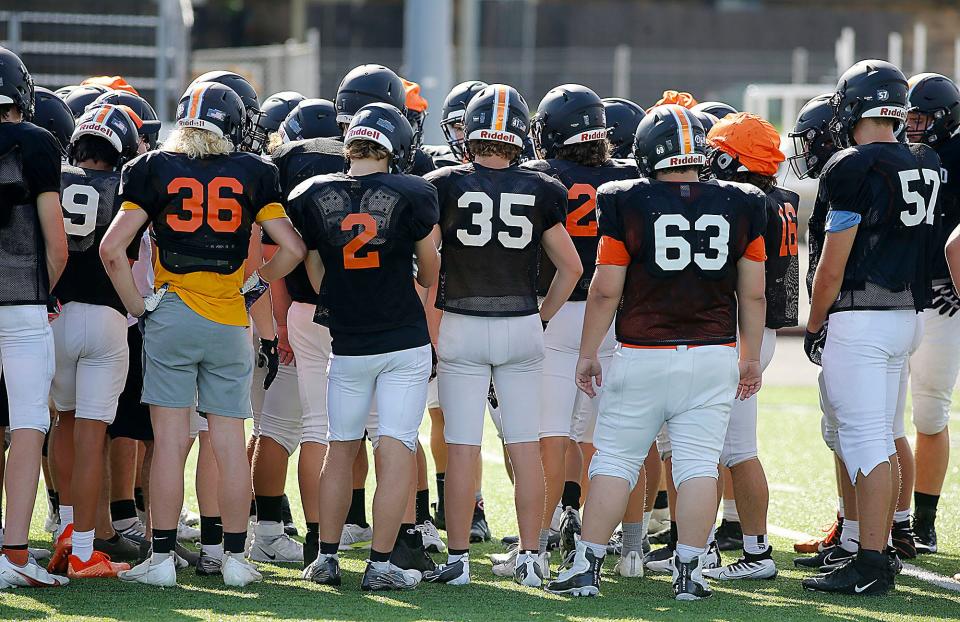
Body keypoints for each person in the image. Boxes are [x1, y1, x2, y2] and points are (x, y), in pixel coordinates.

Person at [546, 104, 767, 601]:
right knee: (697, 465)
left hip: (643, 352)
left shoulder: (627, 199)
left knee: (616, 460)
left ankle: (587, 566)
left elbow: (605, 290)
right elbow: (752, 293)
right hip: (713, 352)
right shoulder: (743, 201)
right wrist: (749, 355)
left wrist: (586, 353)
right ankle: (690, 571)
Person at [99, 81, 305, 587]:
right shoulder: (255, 172)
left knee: (169, 445)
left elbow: (112, 249)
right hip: (230, 320)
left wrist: (140, 307)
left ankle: (164, 560)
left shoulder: (153, 169)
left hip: (171, 314)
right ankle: (235, 559)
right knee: (228, 443)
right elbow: (294, 250)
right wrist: (253, 283)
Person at [422, 84, 581, 587]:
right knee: (524, 446)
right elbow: (572, 267)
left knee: (463, 445)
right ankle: (533, 557)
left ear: (470, 133)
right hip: (520, 325)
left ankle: (459, 560)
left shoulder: (442, 185)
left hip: (462, 325)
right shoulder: (543, 187)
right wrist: (543, 316)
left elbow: (428, 265)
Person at [801, 60, 939, 596]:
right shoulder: (924, 161)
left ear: (852, 106)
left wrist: (815, 322)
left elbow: (832, 264)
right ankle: (874, 547)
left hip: (860, 318)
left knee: (864, 441)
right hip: (907, 316)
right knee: (877, 435)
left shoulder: (851, 165)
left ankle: (873, 560)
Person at [296, 102, 440, 591]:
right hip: (402, 338)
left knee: (340, 448)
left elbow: (314, 270)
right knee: (395, 443)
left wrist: (341, 297)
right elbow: (430, 266)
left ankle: (326, 557)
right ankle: (381, 562)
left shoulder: (314, 193)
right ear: (395, 148)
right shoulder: (414, 192)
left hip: (348, 341)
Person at [521, 84, 638, 577]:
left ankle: (541, 542)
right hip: (617, 315)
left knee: (551, 436)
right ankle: (625, 546)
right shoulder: (632, 178)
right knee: (616, 439)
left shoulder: (541, 177)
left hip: (558, 309)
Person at [48, 104, 145, 580]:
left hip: (56, 315)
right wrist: (140, 309)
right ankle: (85, 548)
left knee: (61, 424)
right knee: (92, 435)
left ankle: (65, 529)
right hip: (107, 318)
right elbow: (120, 256)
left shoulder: (54, 178)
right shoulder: (128, 185)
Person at [703, 111, 797, 581]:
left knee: (735, 448)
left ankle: (755, 554)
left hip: (744, 331)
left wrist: (747, 353)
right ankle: (720, 544)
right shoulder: (777, 199)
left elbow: (749, 285)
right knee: (726, 447)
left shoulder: (744, 203)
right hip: (759, 330)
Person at [0, 46, 70, 589]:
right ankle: (15, 552)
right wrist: (43, 293)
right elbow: (57, 244)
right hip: (21, 304)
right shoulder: (37, 143)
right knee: (28, 423)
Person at [904, 72, 960, 555]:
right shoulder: (900, 155)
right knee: (872, 414)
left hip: (943, 296)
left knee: (929, 409)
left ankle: (924, 519)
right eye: (908, 115)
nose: (913, 124)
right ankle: (873, 518)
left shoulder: (957, 155)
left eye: (921, 116)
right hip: (899, 291)